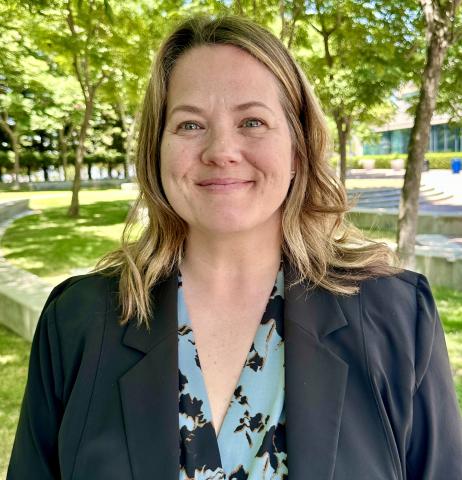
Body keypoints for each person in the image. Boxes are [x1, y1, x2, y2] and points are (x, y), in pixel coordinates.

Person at [8, 14, 462, 480]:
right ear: (156, 150)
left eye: (252, 121)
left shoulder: (398, 318)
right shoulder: (78, 321)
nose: (221, 150)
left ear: (297, 151)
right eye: (189, 125)